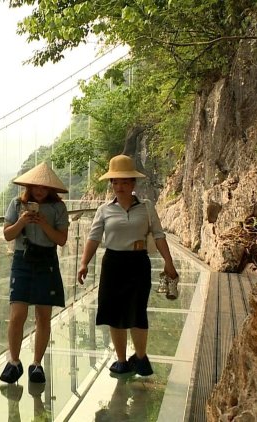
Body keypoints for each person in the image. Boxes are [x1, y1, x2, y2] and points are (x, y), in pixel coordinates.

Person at [76, 154, 179, 376]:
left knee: (137, 311)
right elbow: (93, 238)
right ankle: (121, 360)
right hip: (113, 263)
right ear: (111, 184)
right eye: (115, 182)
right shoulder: (104, 210)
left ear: (133, 183)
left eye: (124, 181)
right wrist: (84, 263)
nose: (119, 186)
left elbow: (159, 235)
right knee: (114, 313)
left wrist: (169, 263)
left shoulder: (146, 207)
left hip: (138, 263)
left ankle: (141, 358)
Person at [0, 161, 69, 385]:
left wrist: (44, 224)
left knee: (43, 316)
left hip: (47, 260)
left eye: (44, 187)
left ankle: (37, 364)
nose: (40, 191)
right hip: (23, 259)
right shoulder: (16, 204)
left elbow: (61, 240)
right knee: (17, 313)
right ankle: (14, 362)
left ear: (50, 189)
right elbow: (8, 235)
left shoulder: (58, 208)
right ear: (29, 186)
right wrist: (22, 221)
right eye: (36, 187)